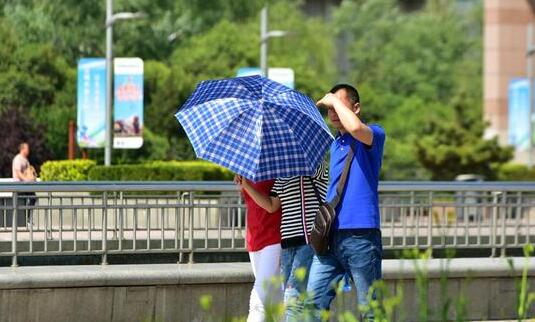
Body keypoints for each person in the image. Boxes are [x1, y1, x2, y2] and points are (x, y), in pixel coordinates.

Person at [305, 84, 386, 321]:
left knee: (370, 310)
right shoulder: (335, 144)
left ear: (356, 107)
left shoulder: (373, 134)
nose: (332, 112)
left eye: (337, 106)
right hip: (330, 236)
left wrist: (332, 100)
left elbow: (354, 127)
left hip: (361, 236)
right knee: (312, 305)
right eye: (330, 108)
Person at [236, 162, 328, 322]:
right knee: (286, 295)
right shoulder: (283, 175)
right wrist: (246, 185)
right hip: (287, 243)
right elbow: (271, 205)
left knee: (293, 296)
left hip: (308, 241)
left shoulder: (313, 166)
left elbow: (321, 172)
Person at [236, 179, 282, 322]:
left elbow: (271, 206)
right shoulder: (250, 169)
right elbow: (250, 202)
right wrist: (242, 185)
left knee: (259, 297)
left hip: (273, 236)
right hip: (254, 237)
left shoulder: (281, 168)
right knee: (274, 297)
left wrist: (246, 186)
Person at [12, 142, 37, 226]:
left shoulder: (25, 159)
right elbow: (18, 173)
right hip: (18, 186)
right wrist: (27, 179)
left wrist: (32, 177)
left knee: (33, 198)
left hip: (25, 185)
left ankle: (27, 219)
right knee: (24, 200)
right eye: (27, 148)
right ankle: (23, 220)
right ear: (22, 149)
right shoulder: (18, 159)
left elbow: (29, 171)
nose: (28, 150)